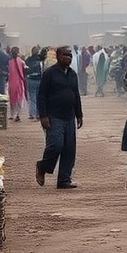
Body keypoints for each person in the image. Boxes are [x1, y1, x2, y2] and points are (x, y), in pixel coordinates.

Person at [35, 45, 83, 190]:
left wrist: (79, 114)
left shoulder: (72, 74)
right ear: (57, 56)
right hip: (54, 116)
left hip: (69, 116)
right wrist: (43, 115)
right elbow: (41, 95)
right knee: (56, 145)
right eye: (65, 55)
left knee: (69, 149)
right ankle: (42, 166)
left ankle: (64, 179)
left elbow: (76, 95)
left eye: (70, 56)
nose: (68, 58)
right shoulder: (49, 73)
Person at [8, 47, 28, 122]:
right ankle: (17, 114)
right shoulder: (22, 62)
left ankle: (14, 114)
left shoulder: (10, 62)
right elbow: (25, 72)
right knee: (19, 99)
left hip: (13, 83)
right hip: (19, 83)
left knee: (13, 99)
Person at [25, 47, 44, 121]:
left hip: (31, 79)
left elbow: (25, 69)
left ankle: (32, 113)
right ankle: (38, 113)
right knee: (39, 97)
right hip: (39, 80)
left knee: (32, 97)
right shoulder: (41, 60)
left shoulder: (28, 60)